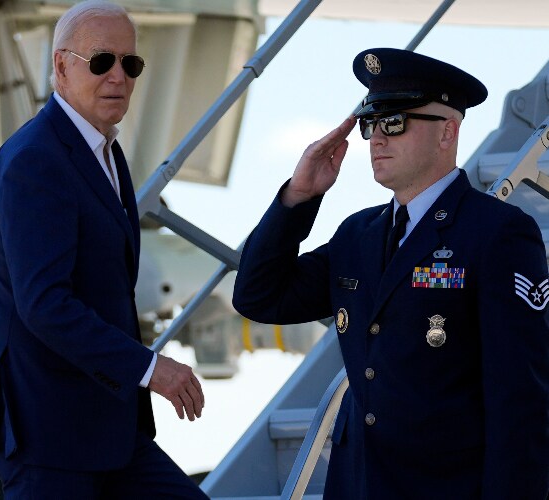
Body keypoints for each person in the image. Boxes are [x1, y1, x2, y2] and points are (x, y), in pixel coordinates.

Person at [233, 47, 549, 499]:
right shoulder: (357, 235)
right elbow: (259, 296)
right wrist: (298, 196)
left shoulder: (497, 233)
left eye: (395, 123)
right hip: (357, 484)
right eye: (371, 124)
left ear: (447, 133)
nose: (377, 139)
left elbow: (519, 397)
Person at [0, 1, 208, 498]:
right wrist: (150, 368)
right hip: (48, 436)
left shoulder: (104, 148)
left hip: (108, 430)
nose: (118, 76)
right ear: (61, 66)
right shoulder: (34, 160)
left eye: (131, 64)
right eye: (102, 61)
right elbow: (45, 305)